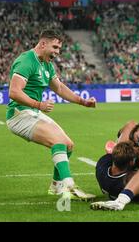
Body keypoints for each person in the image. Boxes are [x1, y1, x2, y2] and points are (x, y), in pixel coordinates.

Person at [5, 29, 96, 200]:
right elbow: (14, 92)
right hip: (19, 115)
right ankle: (69, 186)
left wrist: (83, 102)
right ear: (43, 44)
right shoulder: (26, 61)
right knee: (58, 141)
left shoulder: (46, 64)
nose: (57, 52)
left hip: (32, 112)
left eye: (59, 49)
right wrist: (38, 104)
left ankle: (56, 187)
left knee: (68, 145)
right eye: (55, 47)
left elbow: (60, 88)